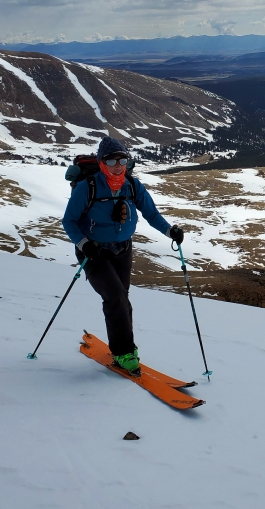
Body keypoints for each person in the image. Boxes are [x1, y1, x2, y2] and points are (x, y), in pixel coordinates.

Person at [62, 137, 184, 374]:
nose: (118, 165)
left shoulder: (132, 185)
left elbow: (151, 213)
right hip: (93, 252)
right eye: (111, 160)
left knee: (122, 297)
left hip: (123, 249)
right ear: (101, 162)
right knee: (115, 297)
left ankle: (124, 346)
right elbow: (69, 221)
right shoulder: (88, 187)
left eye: (122, 159)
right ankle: (123, 352)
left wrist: (170, 231)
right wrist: (84, 243)